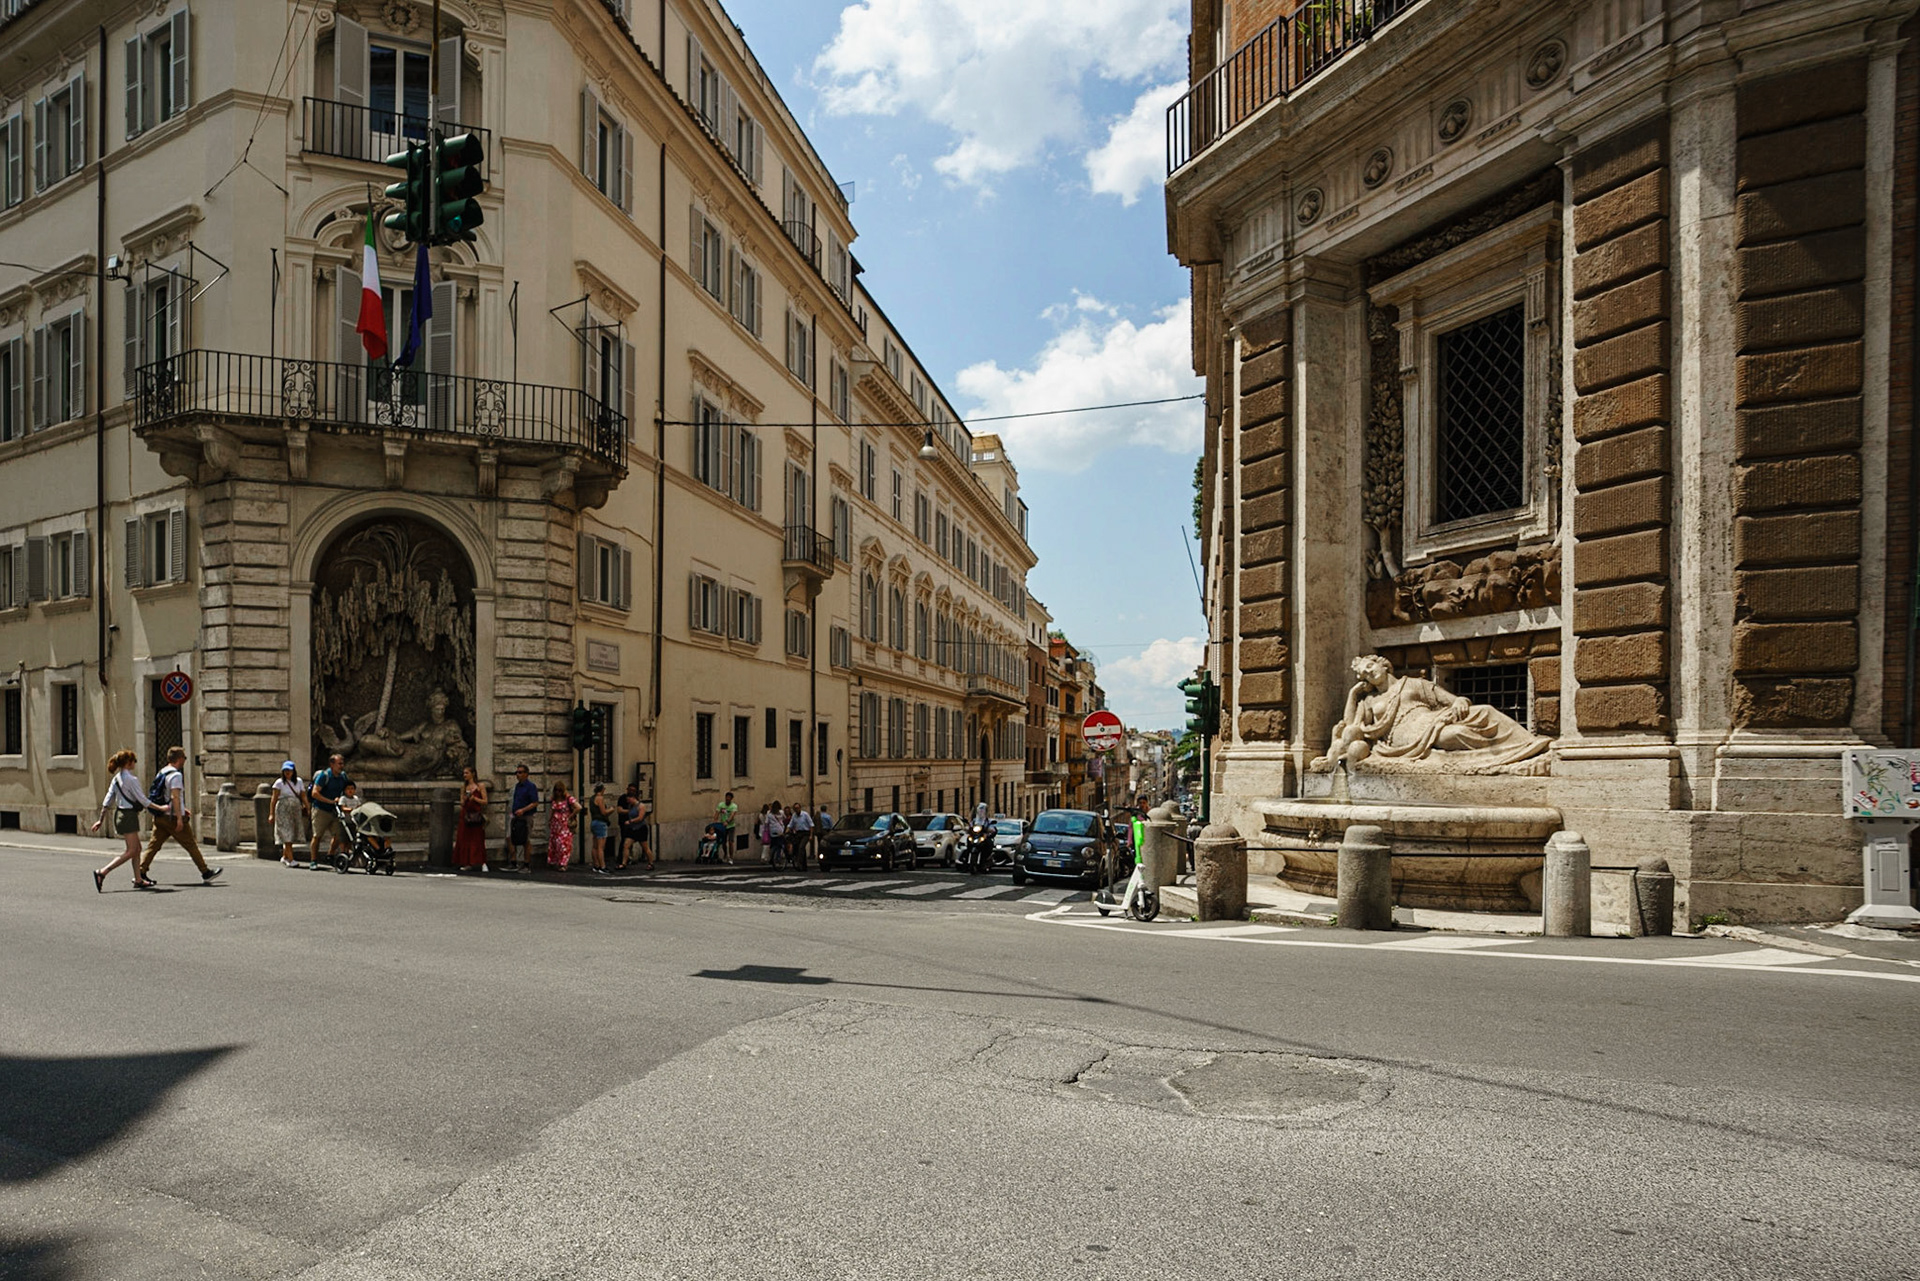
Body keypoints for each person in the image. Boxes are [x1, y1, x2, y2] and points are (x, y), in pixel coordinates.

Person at [136, 746, 221, 885]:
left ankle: (141, 871)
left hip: (161, 816)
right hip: (173, 817)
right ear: (180, 759)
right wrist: (180, 818)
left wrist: (182, 809)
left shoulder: (161, 772)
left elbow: (165, 796)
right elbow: (175, 797)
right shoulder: (176, 775)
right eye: (184, 758)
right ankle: (205, 872)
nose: (185, 761)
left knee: (153, 846)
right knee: (191, 844)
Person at [91, 749, 161, 891]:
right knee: (131, 850)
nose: (135, 763)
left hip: (120, 814)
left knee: (137, 849)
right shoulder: (131, 779)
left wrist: (100, 820)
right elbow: (143, 800)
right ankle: (102, 872)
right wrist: (162, 808)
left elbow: (107, 800)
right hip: (128, 815)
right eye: (134, 761)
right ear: (129, 763)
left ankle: (138, 879)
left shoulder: (116, 779)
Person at [308, 754, 352, 870]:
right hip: (321, 810)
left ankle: (330, 854)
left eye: (342, 763)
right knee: (317, 836)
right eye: (339, 764)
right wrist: (330, 801)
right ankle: (313, 860)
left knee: (338, 835)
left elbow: (346, 790)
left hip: (335, 810)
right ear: (332, 764)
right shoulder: (324, 776)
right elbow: (315, 793)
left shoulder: (343, 776)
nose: (341, 766)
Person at [269, 761, 309, 867]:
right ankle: (291, 859)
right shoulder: (279, 783)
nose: (288, 772)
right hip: (283, 809)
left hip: (295, 809)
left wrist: (307, 807)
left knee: (292, 832)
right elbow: (274, 799)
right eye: (285, 770)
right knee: (286, 833)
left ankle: (285, 856)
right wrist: (271, 813)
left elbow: (303, 795)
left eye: (290, 770)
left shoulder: (299, 781)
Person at [454, 765, 489, 873]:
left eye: (467, 773)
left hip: (476, 814)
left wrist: (475, 798)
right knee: (464, 839)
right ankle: (466, 862)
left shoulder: (480, 786)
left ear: (473, 774)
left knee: (477, 839)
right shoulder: (463, 787)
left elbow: (485, 801)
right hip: (466, 815)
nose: (465, 775)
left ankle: (482, 862)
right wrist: (464, 799)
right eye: (464, 773)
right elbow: (461, 803)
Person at [507, 764, 539, 872]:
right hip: (516, 816)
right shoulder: (516, 787)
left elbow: (534, 802)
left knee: (526, 840)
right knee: (511, 837)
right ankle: (513, 861)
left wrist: (523, 810)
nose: (518, 775)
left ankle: (527, 864)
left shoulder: (530, 787)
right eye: (517, 772)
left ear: (526, 774)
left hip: (526, 816)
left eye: (520, 772)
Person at [547, 781, 579, 871]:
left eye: (560, 790)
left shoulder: (569, 798)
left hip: (565, 824)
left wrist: (571, 815)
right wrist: (550, 820)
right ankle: (555, 861)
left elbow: (578, 807)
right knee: (555, 843)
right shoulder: (554, 799)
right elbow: (552, 810)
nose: (558, 792)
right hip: (555, 824)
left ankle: (563, 863)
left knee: (563, 844)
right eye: (556, 790)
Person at [620, 788, 654, 871]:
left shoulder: (641, 806)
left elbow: (640, 818)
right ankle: (624, 863)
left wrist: (630, 821)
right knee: (626, 845)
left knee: (645, 847)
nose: (628, 801)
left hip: (641, 828)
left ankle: (651, 863)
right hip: (632, 828)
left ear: (633, 798)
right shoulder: (630, 806)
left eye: (629, 799)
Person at [587, 783, 612, 876]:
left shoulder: (592, 798)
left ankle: (596, 865)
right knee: (601, 847)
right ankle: (603, 866)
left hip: (594, 822)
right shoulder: (600, 798)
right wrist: (611, 810)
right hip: (601, 823)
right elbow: (603, 812)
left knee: (595, 846)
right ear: (602, 789)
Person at [715, 791, 739, 864]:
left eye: (729, 798)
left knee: (731, 842)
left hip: (731, 826)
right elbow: (717, 813)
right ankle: (725, 854)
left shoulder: (734, 806)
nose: (727, 799)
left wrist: (727, 822)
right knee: (723, 842)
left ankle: (731, 857)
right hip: (722, 826)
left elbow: (732, 815)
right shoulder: (721, 805)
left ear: (731, 799)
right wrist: (715, 821)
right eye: (726, 797)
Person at [788, 802, 813, 870]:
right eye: (795, 808)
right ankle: (804, 866)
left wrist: (811, 835)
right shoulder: (794, 816)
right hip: (798, 833)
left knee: (801, 847)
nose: (797, 810)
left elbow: (811, 825)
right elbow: (790, 825)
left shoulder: (805, 815)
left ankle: (800, 865)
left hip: (805, 833)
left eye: (798, 808)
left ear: (800, 808)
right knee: (799, 848)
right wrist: (786, 831)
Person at [764, 803, 786, 867]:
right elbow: (784, 818)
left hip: (772, 830)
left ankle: (772, 856)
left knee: (773, 844)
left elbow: (766, 822)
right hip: (780, 829)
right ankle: (778, 858)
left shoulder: (769, 813)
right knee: (780, 845)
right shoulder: (781, 812)